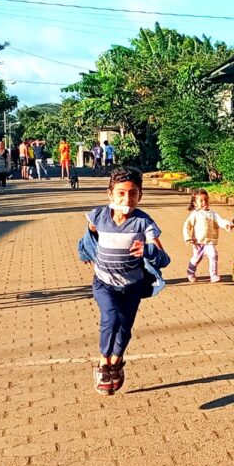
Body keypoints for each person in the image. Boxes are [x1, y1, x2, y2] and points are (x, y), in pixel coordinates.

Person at [77, 166, 168, 395]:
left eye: (133, 193)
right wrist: (85, 253)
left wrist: (147, 250)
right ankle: (103, 364)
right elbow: (88, 236)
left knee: (125, 328)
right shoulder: (98, 215)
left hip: (132, 286)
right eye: (121, 193)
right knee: (111, 317)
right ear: (110, 194)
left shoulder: (144, 222)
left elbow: (163, 258)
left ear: (140, 195)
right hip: (104, 283)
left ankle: (116, 363)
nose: (127, 199)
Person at [182, 189, 232, 283]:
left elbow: (220, 221)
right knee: (196, 258)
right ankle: (190, 271)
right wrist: (187, 237)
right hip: (198, 241)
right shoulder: (195, 214)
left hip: (209, 241)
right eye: (201, 201)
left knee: (213, 255)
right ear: (195, 203)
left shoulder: (213, 214)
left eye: (206, 200)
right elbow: (187, 225)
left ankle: (213, 275)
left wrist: (227, 225)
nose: (204, 202)